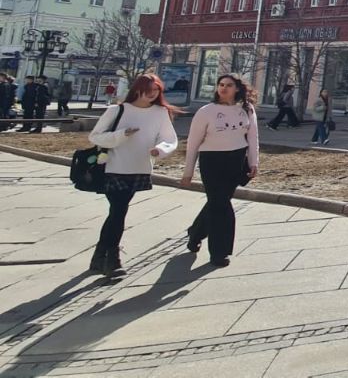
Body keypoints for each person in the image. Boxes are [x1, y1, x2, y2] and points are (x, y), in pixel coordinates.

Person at [87, 74, 180, 275]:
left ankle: (99, 256)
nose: (152, 94)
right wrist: (122, 134)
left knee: (117, 212)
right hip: (114, 167)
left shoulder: (160, 112)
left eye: (156, 90)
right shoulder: (118, 110)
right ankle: (112, 259)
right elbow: (95, 137)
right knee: (118, 211)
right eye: (148, 90)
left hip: (139, 168)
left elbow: (169, 138)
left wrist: (160, 150)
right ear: (137, 89)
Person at [181, 75, 260, 268]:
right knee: (221, 205)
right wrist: (188, 172)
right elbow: (193, 143)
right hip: (212, 161)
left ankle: (195, 232)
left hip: (236, 160)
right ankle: (219, 252)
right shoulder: (206, 111)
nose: (224, 88)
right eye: (221, 85)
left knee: (217, 202)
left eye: (229, 85)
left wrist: (253, 162)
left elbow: (253, 138)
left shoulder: (246, 109)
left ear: (237, 88)